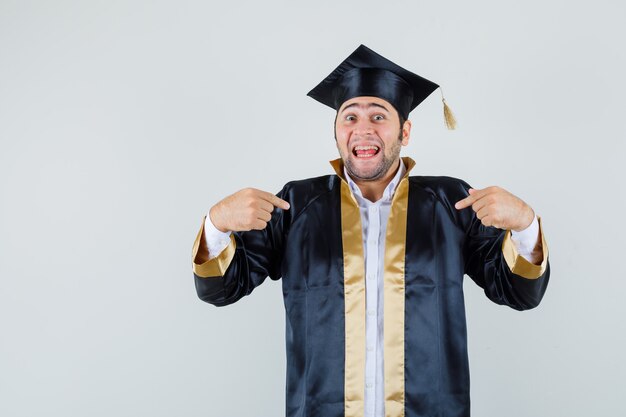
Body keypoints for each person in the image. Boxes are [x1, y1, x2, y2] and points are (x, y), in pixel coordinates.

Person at [191, 44, 550, 417]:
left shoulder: (451, 203)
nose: (363, 130)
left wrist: (526, 225)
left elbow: (519, 293)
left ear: (405, 131)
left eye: (379, 116)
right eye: (350, 117)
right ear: (335, 131)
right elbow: (222, 289)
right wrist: (216, 224)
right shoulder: (296, 205)